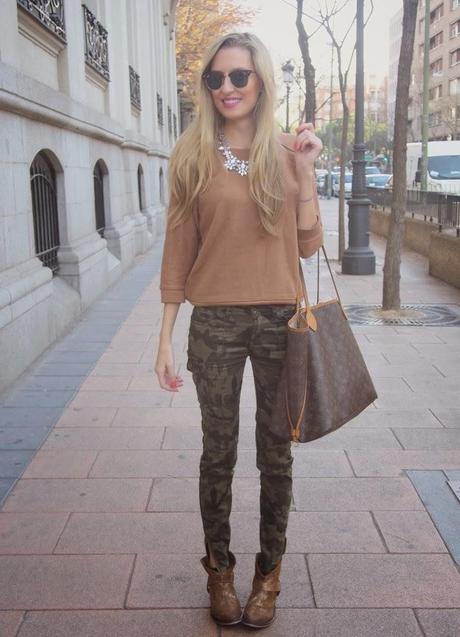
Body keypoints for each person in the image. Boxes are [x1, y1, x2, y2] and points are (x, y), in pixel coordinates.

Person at [155, 32, 323, 629]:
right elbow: (178, 250)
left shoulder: (287, 150)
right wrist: (165, 338)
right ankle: (219, 573)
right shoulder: (192, 155)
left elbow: (308, 246)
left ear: (260, 83)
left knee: (276, 455)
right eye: (216, 78)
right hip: (216, 323)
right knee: (217, 455)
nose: (226, 88)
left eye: (238, 77)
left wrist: (303, 175)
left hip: (282, 319)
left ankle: (268, 576)